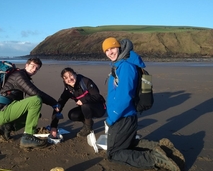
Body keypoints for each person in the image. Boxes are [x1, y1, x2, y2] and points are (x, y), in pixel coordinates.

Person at [102, 37, 185, 171]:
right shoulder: (121, 64)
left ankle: (155, 158)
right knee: (127, 143)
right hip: (126, 116)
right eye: (106, 50)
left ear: (119, 47)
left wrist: (112, 118)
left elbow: (124, 97)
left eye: (112, 48)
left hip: (122, 117)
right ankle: (159, 148)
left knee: (113, 154)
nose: (109, 52)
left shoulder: (126, 66)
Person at [0, 57, 60, 149]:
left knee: (36, 114)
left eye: (37, 68)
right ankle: (28, 137)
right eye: (33, 66)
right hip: (0, 112)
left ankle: (6, 128)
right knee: (36, 100)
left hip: (4, 110)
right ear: (26, 65)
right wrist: (54, 103)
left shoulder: (22, 76)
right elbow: (35, 93)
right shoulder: (19, 76)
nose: (34, 70)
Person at [50, 67, 106, 138]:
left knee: (85, 105)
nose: (69, 79)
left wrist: (83, 100)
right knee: (72, 115)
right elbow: (59, 105)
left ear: (75, 74)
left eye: (71, 75)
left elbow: (97, 96)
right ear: (64, 80)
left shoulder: (86, 81)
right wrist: (53, 126)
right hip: (85, 109)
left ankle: (88, 128)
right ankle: (88, 122)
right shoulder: (68, 90)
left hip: (99, 108)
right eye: (66, 78)